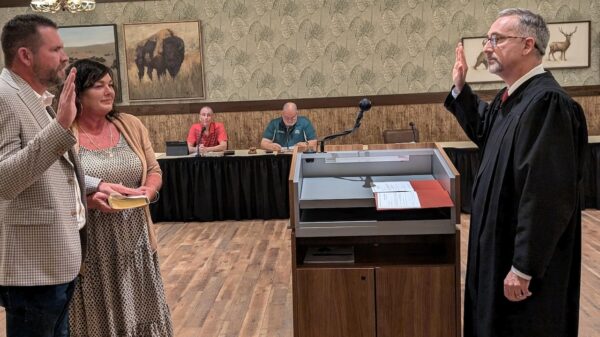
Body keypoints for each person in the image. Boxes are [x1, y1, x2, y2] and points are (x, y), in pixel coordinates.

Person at [445, 8, 587, 337]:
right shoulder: (512, 97)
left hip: (521, 269)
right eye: (487, 40)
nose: (487, 47)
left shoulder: (546, 103)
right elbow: (485, 127)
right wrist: (460, 88)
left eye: (497, 39)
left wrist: (524, 266)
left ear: (527, 44)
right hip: (497, 250)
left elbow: (546, 194)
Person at [0, 14, 132, 337]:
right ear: (25, 56)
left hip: (56, 261)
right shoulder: (4, 97)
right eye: (56, 49)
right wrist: (60, 128)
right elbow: (5, 180)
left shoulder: (35, 96)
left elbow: (52, 169)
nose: (65, 56)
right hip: (32, 270)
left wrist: (95, 185)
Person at [66, 59, 173, 336]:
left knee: (142, 315)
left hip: (135, 240)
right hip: (92, 248)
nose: (108, 91)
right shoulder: (66, 133)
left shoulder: (130, 124)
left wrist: (148, 191)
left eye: (111, 85)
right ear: (78, 93)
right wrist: (89, 201)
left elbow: (153, 169)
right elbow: (59, 185)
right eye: (98, 85)